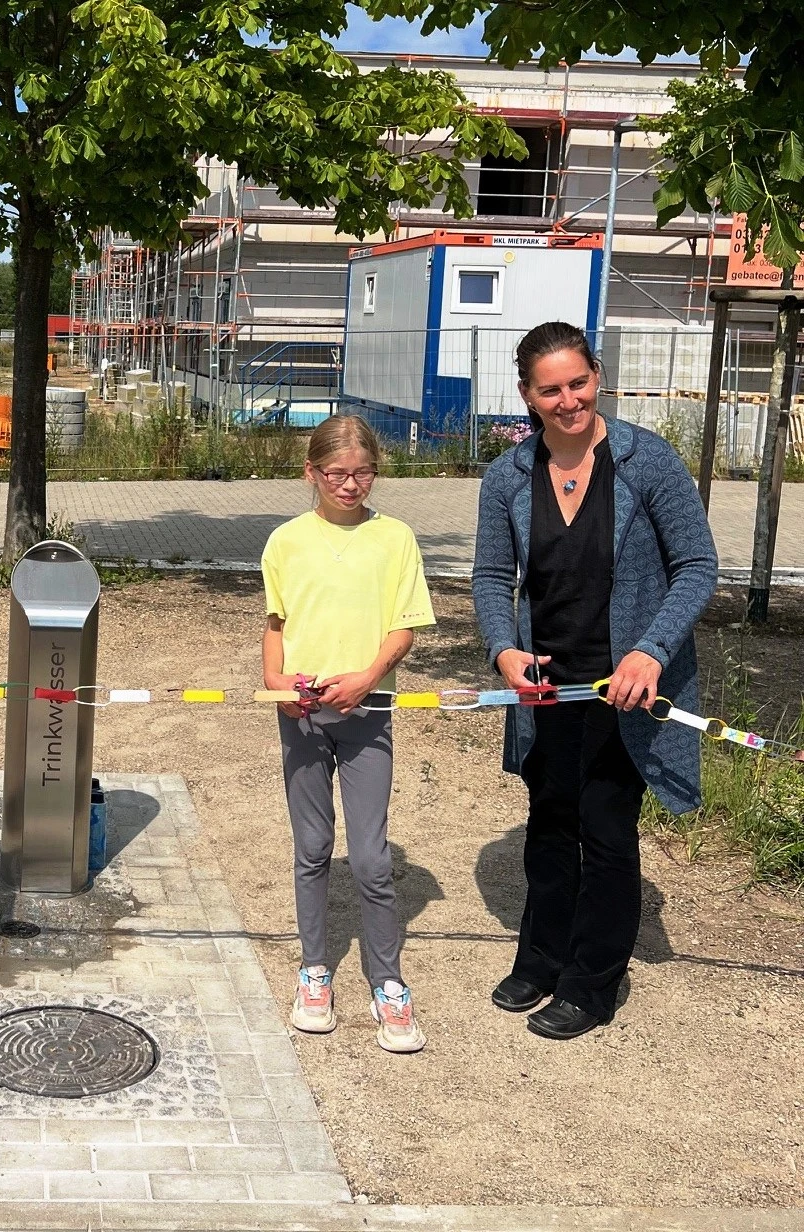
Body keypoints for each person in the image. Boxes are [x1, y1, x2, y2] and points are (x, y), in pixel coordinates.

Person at [473, 320, 717, 1040]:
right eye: (550, 389)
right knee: (549, 823)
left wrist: (650, 651)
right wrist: (502, 651)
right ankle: (541, 960)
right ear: (527, 395)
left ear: (596, 377)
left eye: (577, 382)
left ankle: (592, 983)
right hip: (545, 687)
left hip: (626, 689)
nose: (568, 399)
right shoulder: (507, 476)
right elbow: (491, 576)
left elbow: (697, 566)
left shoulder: (648, 460)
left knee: (606, 830)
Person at [261, 414, 437, 1053]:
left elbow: (405, 627)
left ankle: (387, 982)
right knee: (312, 847)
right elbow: (276, 622)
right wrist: (276, 682)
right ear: (312, 473)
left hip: (368, 715)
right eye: (335, 473)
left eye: (362, 472)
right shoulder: (285, 542)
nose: (349, 484)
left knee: (369, 856)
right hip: (303, 718)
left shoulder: (395, 540)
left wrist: (367, 677)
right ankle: (314, 971)